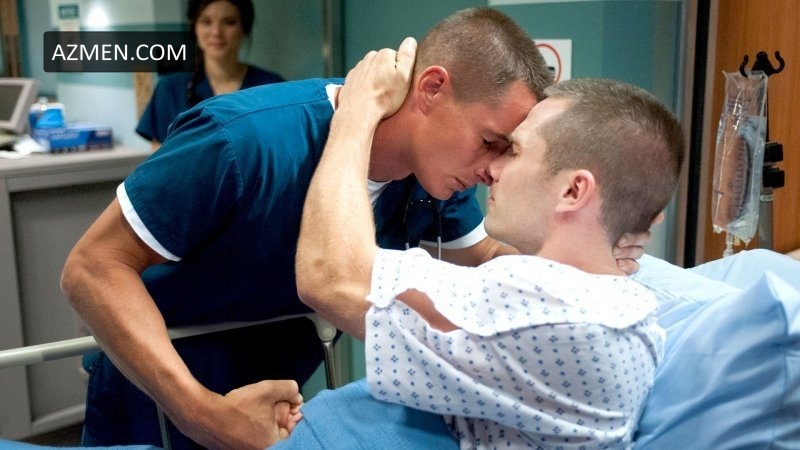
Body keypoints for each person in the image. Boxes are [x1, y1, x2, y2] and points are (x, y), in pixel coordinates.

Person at [61, 8, 649, 449]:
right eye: (491, 142)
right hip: (161, 397)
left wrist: (598, 269)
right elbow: (91, 268)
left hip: (276, 406)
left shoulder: (434, 180)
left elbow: (490, 259)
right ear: (432, 88)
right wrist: (198, 411)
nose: (493, 169)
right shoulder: (245, 143)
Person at [294, 38, 685, 449]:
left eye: (513, 150)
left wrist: (357, 113)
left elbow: (331, 277)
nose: (491, 169)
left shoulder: (547, 303)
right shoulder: (623, 305)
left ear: (573, 191)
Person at [135, 0, 284, 150]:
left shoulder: (272, 88)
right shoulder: (170, 90)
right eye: (206, 22)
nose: (216, 32)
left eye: (229, 22)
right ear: (195, 28)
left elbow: (283, 152)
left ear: (244, 28)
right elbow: (160, 157)